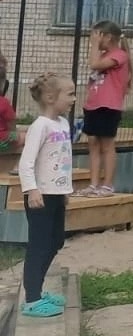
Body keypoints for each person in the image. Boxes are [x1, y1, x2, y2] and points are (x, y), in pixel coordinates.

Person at [18, 72, 75, 318]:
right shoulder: (40, 126)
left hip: (56, 194)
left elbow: (63, 161)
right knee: (39, 246)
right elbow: (26, 163)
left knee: (56, 240)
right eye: (70, 94)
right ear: (51, 97)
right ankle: (31, 300)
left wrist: (65, 191)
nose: (74, 98)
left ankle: (38, 292)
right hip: (39, 196)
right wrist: (32, 189)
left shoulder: (62, 124)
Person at [82, 20, 131, 196]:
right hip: (93, 105)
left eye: (97, 35)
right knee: (93, 144)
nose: (93, 39)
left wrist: (95, 45)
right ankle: (93, 184)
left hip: (109, 106)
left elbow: (94, 65)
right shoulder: (102, 56)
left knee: (107, 145)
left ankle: (107, 185)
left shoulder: (119, 55)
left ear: (108, 37)